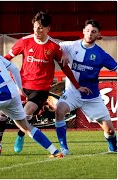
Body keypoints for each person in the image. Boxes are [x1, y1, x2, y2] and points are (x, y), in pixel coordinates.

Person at [0, 11, 91, 153]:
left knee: (25, 113)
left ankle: (21, 134)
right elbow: (6, 58)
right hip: (22, 85)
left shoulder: (54, 46)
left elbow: (65, 69)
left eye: (40, 27)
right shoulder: (24, 41)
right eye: (35, 27)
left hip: (40, 89)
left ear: (48, 29)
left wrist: (77, 86)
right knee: (3, 112)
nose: (36, 30)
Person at [0, 35, 65, 159]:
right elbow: (14, 68)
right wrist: (20, 88)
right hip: (12, 92)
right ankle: (55, 152)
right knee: (25, 126)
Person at [55, 19, 117, 155]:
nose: (90, 34)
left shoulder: (101, 54)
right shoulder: (71, 46)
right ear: (83, 31)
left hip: (92, 96)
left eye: (93, 32)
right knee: (59, 111)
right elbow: (55, 45)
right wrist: (63, 53)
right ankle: (64, 148)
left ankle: (113, 149)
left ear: (98, 35)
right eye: (88, 31)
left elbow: (116, 67)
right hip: (72, 92)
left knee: (110, 131)